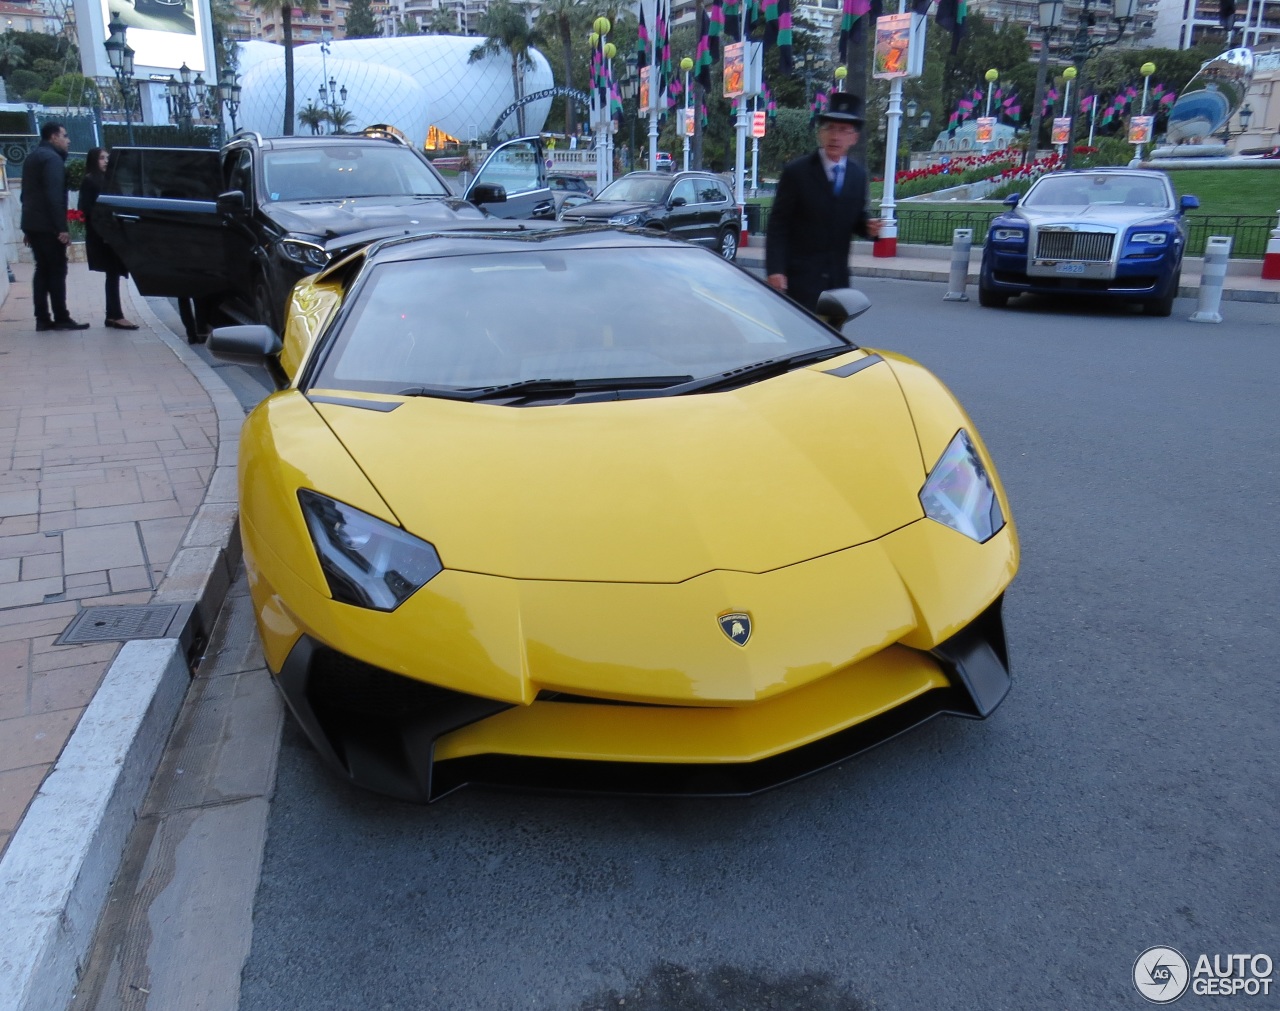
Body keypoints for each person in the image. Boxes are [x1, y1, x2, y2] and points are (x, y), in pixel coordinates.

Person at [765, 92, 882, 312]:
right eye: (830, 128)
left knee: (835, 342)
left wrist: (868, 227)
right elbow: (777, 224)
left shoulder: (857, 175)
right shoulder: (797, 172)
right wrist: (775, 270)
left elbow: (855, 217)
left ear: (853, 138)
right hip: (799, 281)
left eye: (843, 130)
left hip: (837, 283)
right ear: (821, 133)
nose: (835, 136)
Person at [20, 121, 89, 330]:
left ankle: (42, 318)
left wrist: (27, 226)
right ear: (53, 137)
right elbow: (54, 196)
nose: (68, 141)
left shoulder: (33, 157)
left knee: (42, 270)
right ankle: (61, 317)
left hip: (34, 223)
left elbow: (26, 195)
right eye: (65, 136)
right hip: (48, 226)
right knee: (57, 270)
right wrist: (61, 228)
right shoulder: (52, 160)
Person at [78, 147, 139, 330]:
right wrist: (104, 230)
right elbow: (87, 209)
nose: (106, 161)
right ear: (93, 160)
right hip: (103, 235)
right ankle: (115, 315)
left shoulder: (108, 180)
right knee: (112, 273)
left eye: (107, 158)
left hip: (111, 233)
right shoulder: (90, 181)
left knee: (113, 274)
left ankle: (113, 315)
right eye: (101, 158)